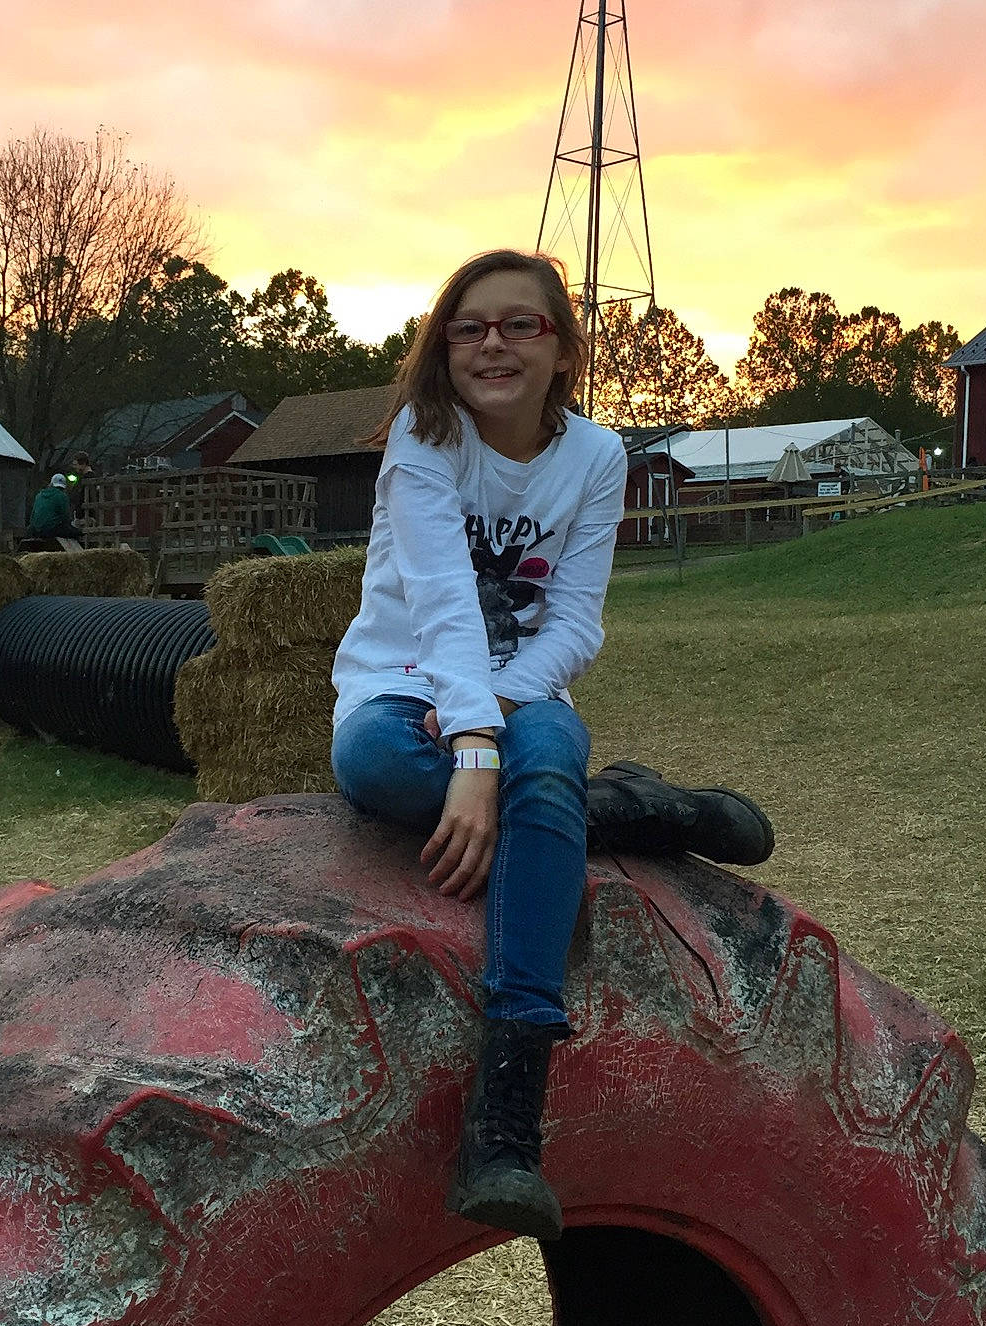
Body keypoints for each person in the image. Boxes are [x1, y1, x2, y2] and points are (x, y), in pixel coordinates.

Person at [330, 248, 774, 1246]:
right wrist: (472, 749)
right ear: (443, 345)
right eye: (470, 325)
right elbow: (442, 605)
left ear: (563, 347)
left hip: (525, 695)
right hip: (404, 688)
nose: (493, 342)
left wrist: (493, 714)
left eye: (519, 324)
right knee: (374, 767)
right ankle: (619, 807)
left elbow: (575, 625)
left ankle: (506, 1115)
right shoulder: (423, 440)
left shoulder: (598, 458)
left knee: (542, 756)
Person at [28, 472, 79, 542]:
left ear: (51, 484)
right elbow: (65, 517)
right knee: (77, 533)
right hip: (51, 530)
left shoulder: (39, 495)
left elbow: (32, 515)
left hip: (35, 530)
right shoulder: (62, 496)